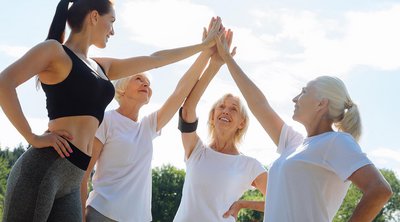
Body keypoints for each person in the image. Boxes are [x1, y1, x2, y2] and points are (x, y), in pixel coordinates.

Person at [0, 0, 222, 220]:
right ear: (94, 16)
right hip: (45, 168)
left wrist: (203, 47)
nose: (113, 31)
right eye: (111, 21)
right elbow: (4, 82)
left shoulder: (100, 66)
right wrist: (32, 137)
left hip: (73, 179)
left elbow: (156, 59)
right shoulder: (54, 51)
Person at [214, 32, 393, 221]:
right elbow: (259, 105)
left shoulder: (336, 142)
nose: (295, 98)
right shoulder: (293, 143)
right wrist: (227, 58)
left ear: (321, 104)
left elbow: (379, 190)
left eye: (304, 92)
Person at [81, 20, 224, 222]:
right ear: (121, 88)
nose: (145, 84)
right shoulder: (106, 120)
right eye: (138, 79)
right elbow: (83, 174)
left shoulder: (147, 127)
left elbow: (180, 92)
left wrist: (207, 53)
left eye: (148, 83)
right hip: (102, 214)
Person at [173, 30, 268, 222]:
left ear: (242, 123)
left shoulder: (249, 165)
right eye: (221, 107)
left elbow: (281, 199)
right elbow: (187, 109)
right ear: (212, 117)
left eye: (233, 109)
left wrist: (243, 204)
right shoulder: (195, 151)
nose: (225, 111)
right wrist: (214, 64)